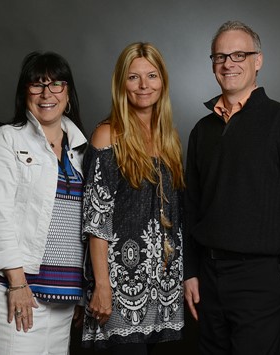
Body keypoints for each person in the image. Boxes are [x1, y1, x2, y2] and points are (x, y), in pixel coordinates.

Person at [183, 20, 280, 354]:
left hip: (262, 277)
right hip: (208, 278)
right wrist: (190, 271)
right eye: (220, 57)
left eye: (239, 55)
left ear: (258, 61)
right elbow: (191, 205)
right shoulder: (203, 129)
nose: (228, 63)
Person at [0, 51, 88, 354]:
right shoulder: (8, 140)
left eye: (56, 84)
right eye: (37, 84)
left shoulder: (82, 149)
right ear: (26, 94)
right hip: (12, 293)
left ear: (69, 93)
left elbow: (86, 226)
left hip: (62, 303)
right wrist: (18, 284)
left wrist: (80, 293)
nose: (47, 93)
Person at [81, 42, 185, 354]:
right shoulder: (108, 134)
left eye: (152, 76)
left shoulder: (169, 139)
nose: (144, 86)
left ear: (163, 81)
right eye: (133, 77)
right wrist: (102, 286)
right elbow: (96, 218)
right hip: (120, 288)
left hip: (164, 290)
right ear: (121, 84)